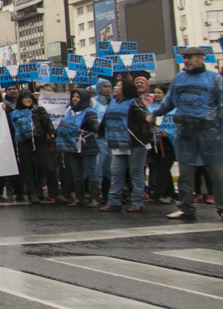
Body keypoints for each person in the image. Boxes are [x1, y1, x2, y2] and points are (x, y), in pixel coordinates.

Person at [161, 47, 223, 221]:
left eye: (190, 57)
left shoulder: (215, 79)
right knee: (185, 174)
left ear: (201, 59)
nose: (186, 60)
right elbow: (169, 101)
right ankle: (185, 208)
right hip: (185, 133)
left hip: (210, 132)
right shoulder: (179, 78)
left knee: (217, 173)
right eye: (185, 57)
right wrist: (154, 114)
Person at [99, 78, 155, 214]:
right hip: (118, 143)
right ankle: (114, 202)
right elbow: (106, 119)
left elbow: (142, 113)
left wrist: (148, 118)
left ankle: (137, 202)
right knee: (115, 172)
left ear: (126, 89)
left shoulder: (134, 102)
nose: (115, 88)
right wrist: (99, 132)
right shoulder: (112, 102)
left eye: (118, 86)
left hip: (135, 143)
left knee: (135, 172)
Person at [9, 90, 62, 205]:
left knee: (48, 168)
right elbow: (12, 128)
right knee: (27, 169)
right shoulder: (14, 113)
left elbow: (47, 122)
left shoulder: (38, 110)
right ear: (20, 100)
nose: (29, 100)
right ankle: (32, 193)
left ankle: (56, 193)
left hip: (39, 142)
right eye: (26, 98)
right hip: (24, 143)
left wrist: (51, 132)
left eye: (30, 98)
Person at [56, 88, 101, 207]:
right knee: (76, 173)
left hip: (87, 146)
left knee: (91, 171)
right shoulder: (69, 111)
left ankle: (95, 198)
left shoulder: (89, 113)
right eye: (73, 96)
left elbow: (94, 123)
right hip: (72, 146)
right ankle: (79, 198)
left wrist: (98, 130)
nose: (75, 99)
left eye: (78, 97)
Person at [148, 85, 177, 204]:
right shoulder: (151, 108)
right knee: (163, 168)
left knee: (163, 168)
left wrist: (168, 133)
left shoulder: (174, 109)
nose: (156, 95)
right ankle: (170, 193)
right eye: (155, 92)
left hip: (170, 143)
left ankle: (159, 193)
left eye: (159, 92)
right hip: (156, 143)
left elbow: (178, 126)